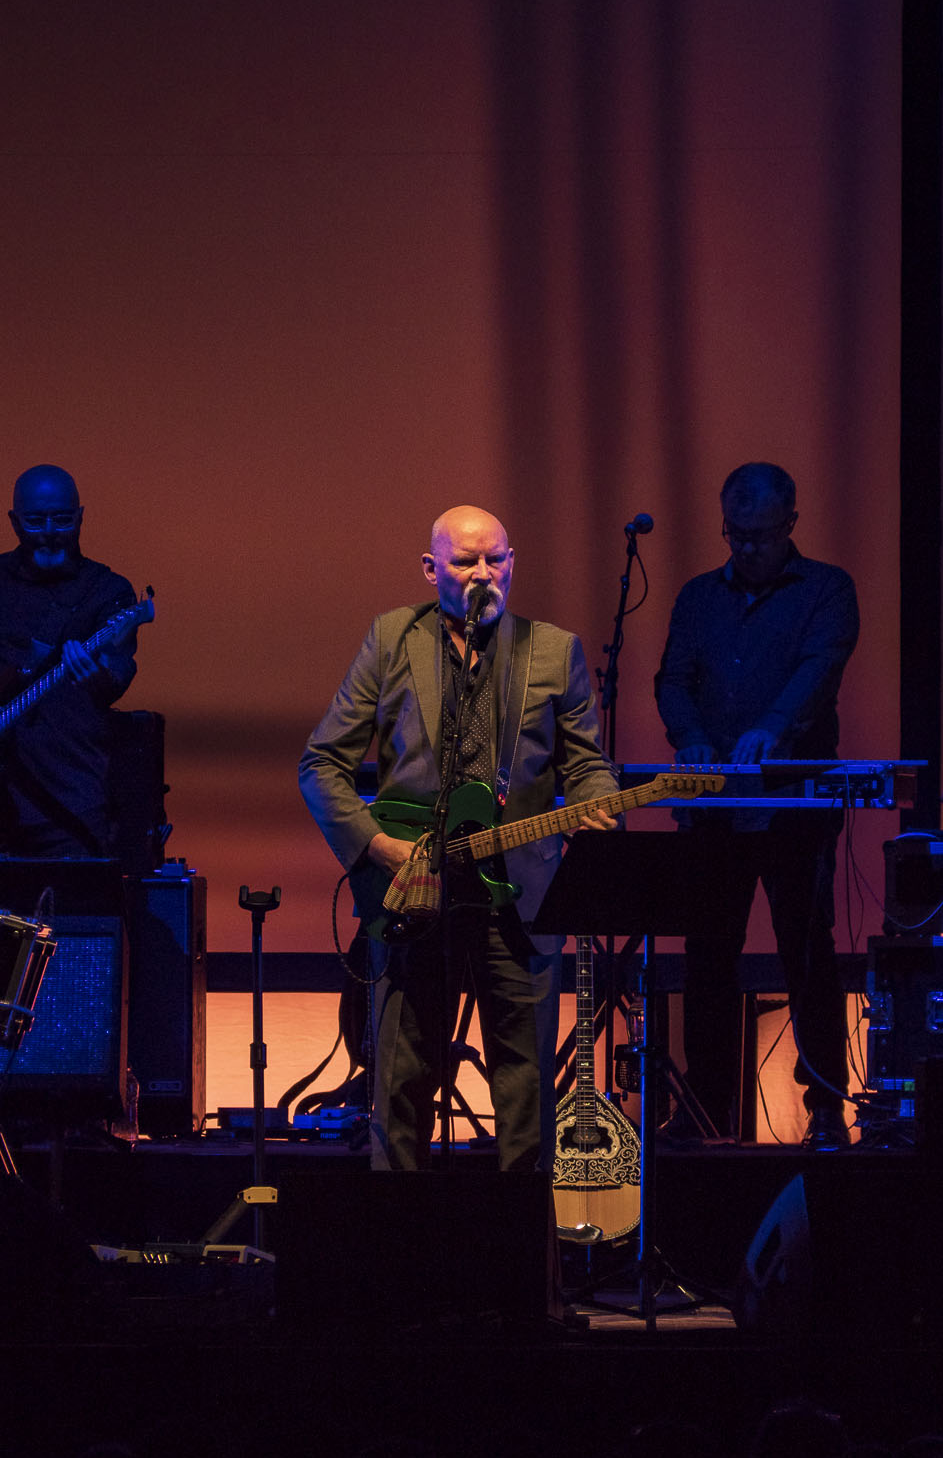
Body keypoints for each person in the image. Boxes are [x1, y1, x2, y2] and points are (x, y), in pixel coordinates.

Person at [299, 504, 619, 1178]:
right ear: (430, 569)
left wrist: (594, 806)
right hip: (413, 888)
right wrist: (375, 847)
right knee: (400, 1081)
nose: (483, 573)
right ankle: (397, 1257)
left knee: (526, 1089)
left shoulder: (554, 650)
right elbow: (321, 764)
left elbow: (586, 764)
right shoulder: (392, 638)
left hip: (521, 892)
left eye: (496, 559)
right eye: (465, 560)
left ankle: (522, 1259)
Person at [654, 461, 860, 1150]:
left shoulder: (827, 589)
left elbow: (818, 670)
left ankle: (827, 1106)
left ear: (790, 526)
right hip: (715, 809)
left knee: (809, 954)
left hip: (792, 805)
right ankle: (708, 1109)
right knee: (709, 956)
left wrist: (772, 726)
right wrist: (689, 739)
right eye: (735, 536)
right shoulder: (696, 597)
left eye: (761, 537)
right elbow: (673, 677)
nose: (746, 549)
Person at [0, 464, 139, 857]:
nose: (48, 532)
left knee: (78, 912)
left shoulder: (107, 591)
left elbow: (118, 672)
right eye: (35, 521)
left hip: (69, 796)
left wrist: (97, 676)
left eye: (62, 520)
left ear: (79, 517)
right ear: (14, 522)